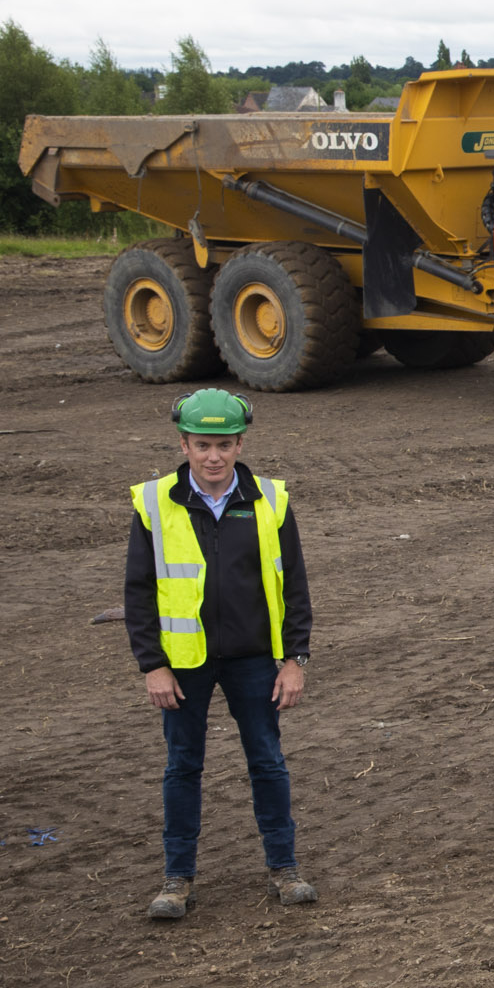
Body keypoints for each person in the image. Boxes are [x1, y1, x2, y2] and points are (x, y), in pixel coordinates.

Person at [125, 389, 315, 921]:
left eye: (225, 445)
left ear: (239, 443)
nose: (214, 456)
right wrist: (153, 664)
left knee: (268, 762)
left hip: (255, 658)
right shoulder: (155, 502)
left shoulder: (270, 500)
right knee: (183, 766)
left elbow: (294, 584)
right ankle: (177, 880)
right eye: (202, 444)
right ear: (183, 443)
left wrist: (295, 658)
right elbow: (137, 592)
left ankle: (285, 869)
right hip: (183, 663)